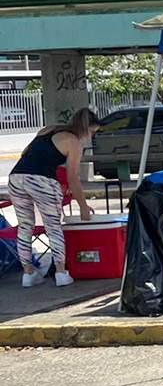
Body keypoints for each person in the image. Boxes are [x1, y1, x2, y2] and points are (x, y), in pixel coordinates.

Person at [7, 107, 99, 288]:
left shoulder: (47, 130)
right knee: (53, 227)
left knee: (25, 226)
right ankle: (61, 272)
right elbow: (73, 177)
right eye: (93, 132)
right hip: (43, 181)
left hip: (16, 177)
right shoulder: (74, 143)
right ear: (85, 129)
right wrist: (83, 206)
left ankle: (28, 273)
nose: (92, 137)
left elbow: (26, 152)